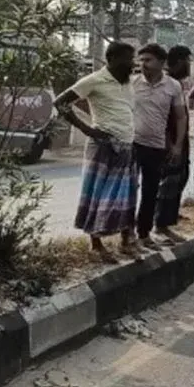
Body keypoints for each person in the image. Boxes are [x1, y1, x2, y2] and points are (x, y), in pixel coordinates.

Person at [55, 41, 139, 260]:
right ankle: (96, 245)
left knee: (126, 197)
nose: (132, 63)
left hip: (126, 146)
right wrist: (87, 129)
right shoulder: (94, 80)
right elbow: (61, 102)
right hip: (103, 146)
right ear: (112, 59)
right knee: (98, 195)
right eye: (128, 59)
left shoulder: (126, 82)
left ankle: (126, 241)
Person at [130, 44, 185, 250]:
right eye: (141, 60)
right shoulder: (132, 82)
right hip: (132, 144)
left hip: (156, 146)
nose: (143, 64)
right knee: (129, 191)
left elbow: (180, 117)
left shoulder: (173, 86)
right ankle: (127, 235)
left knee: (150, 192)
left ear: (162, 63)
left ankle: (144, 234)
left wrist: (178, 145)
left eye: (148, 60)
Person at [154, 45, 193, 244]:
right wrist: (172, 144)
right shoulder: (166, 84)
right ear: (179, 61)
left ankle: (167, 222)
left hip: (180, 140)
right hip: (169, 142)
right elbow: (164, 117)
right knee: (168, 183)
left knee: (180, 179)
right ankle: (159, 226)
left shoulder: (177, 84)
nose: (189, 65)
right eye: (188, 60)